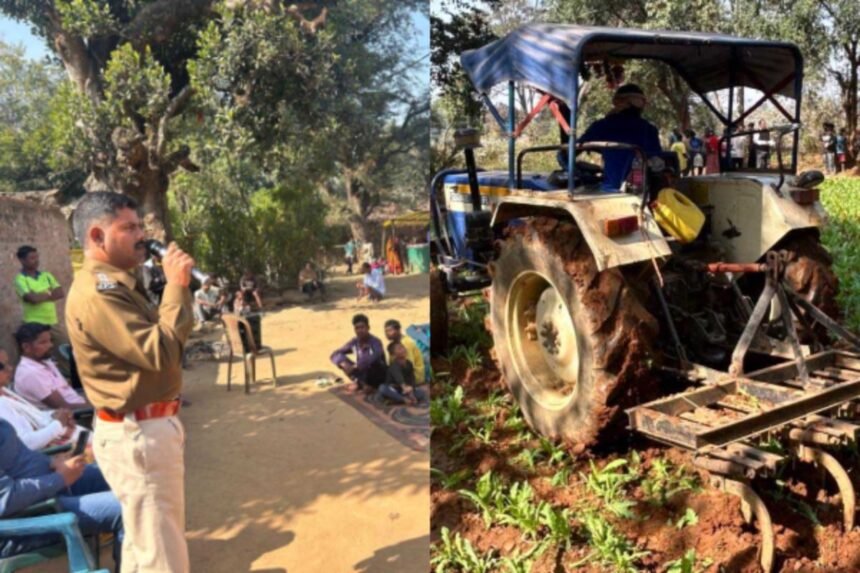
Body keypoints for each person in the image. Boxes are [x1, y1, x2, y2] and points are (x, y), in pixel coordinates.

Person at [65, 191, 195, 572]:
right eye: (128, 228)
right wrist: (176, 286)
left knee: (146, 547)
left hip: (146, 427)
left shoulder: (119, 283)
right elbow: (162, 352)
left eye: (140, 225)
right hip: (138, 432)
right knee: (162, 555)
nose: (140, 235)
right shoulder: (98, 292)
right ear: (96, 236)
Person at [0, 419, 123, 565]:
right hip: (27, 519)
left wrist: (52, 462)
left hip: (47, 491)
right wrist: (60, 478)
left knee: (126, 475)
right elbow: (6, 499)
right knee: (129, 508)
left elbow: (18, 460)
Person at [578, 83, 663, 192]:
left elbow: (570, 152)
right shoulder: (650, 129)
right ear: (641, 105)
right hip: (643, 191)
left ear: (617, 103)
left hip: (610, 189)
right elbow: (658, 159)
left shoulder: (602, 126)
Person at [0, 348, 81, 451]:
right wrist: (58, 423)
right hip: (52, 454)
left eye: (8, 363)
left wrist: (55, 414)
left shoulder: (4, 391)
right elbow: (26, 444)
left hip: (60, 439)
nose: (10, 368)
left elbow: (34, 417)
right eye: (2, 366)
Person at [14, 245, 69, 370]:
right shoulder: (20, 279)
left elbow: (60, 293)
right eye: (32, 258)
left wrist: (41, 295)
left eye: (37, 257)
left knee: (64, 349)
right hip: (34, 324)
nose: (36, 260)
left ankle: (67, 377)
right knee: (40, 355)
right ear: (22, 260)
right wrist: (50, 293)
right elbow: (32, 299)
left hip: (52, 322)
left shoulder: (47, 275)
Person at [13, 323, 90, 410]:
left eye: (50, 340)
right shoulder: (31, 373)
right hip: (76, 416)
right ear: (26, 347)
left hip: (80, 403)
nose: (50, 345)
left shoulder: (45, 361)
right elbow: (64, 407)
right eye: (43, 342)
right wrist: (96, 406)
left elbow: (67, 392)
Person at [330, 314, 387, 393]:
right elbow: (335, 354)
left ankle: (369, 386)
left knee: (373, 364)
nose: (360, 330)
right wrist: (343, 363)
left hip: (377, 375)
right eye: (357, 328)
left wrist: (356, 366)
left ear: (368, 328)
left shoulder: (375, 342)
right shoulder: (355, 342)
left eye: (362, 327)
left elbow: (375, 357)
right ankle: (362, 384)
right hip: (362, 372)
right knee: (341, 360)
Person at [377, 342, 428, 406]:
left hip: (405, 390)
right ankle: (403, 399)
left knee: (421, 392)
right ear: (393, 355)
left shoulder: (409, 363)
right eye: (399, 349)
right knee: (382, 388)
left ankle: (397, 399)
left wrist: (411, 390)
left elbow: (411, 379)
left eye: (403, 347)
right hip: (394, 389)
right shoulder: (394, 366)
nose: (403, 349)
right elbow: (399, 379)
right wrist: (405, 388)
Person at [383, 319, 426, 384]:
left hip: (414, 377)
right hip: (401, 373)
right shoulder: (393, 345)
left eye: (390, 330)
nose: (387, 334)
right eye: (386, 331)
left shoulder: (406, 343)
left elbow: (408, 366)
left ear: (399, 330)